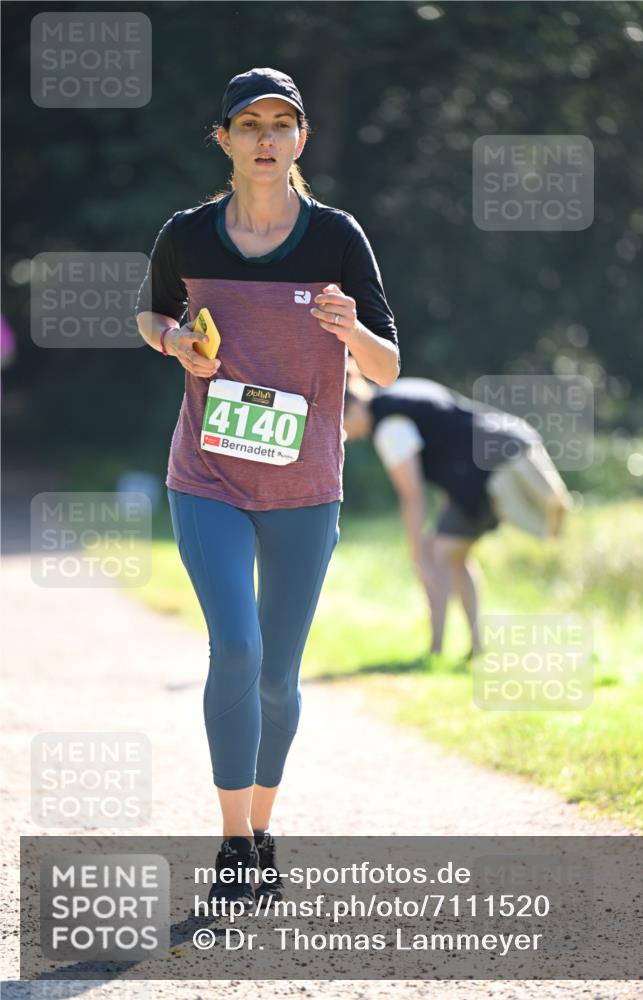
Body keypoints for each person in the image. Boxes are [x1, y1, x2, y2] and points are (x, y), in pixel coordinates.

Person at [135, 68, 399, 912]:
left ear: (300, 140)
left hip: (306, 484)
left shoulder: (336, 238)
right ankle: (231, 842)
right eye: (247, 123)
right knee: (237, 650)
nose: (263, 137)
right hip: (206, 476)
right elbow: (152, 314)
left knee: (279, 677)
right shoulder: (188, 235)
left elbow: (388, 367)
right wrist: (176, 340)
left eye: (280, 124)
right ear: (223, 139)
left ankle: (263, 827)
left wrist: (347, 327)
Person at [343, 369, 571, 659]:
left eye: (344, 425)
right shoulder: (400, 391)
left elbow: (412, 495)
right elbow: (449, 437)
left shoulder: (388, 426)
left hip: (493, 467)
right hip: (511, 440)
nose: (347, 437)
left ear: (352, 408)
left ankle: (437, 651)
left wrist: (417, 555)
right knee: (453, 554)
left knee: (437, 556)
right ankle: (472, 646)